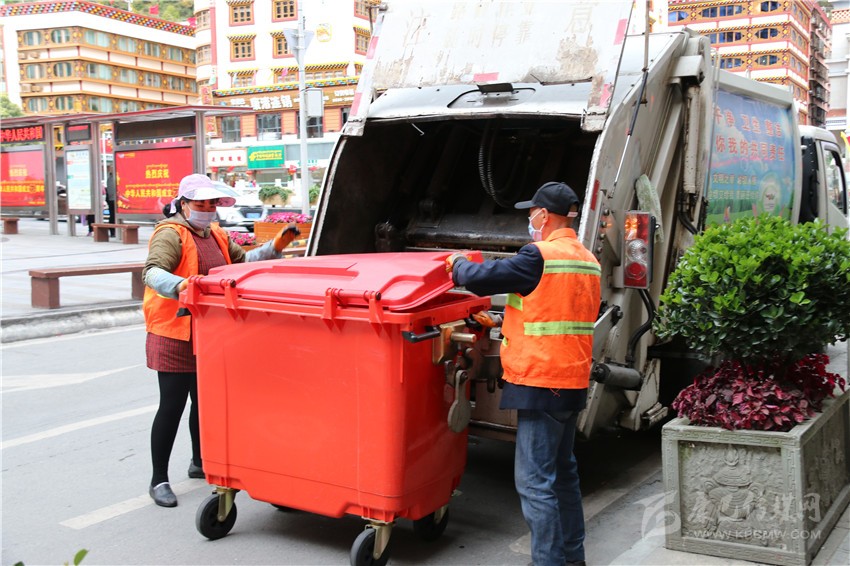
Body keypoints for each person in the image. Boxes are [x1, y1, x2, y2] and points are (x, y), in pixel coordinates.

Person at [446, 181, 601, 566]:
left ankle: (548, 561)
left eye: (531, 213)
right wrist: (504, 320)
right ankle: (572, 558)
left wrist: (457, 264)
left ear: (544, 215)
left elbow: (482, 277)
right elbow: (554, 310)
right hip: (572, 381)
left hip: (541, 381)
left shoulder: (539, 256)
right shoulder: (587, 259)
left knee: (535, 483)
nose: (529, 219)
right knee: (563, 475)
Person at [143, 173, 300, 508]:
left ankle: (199, 461)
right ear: (183, 204)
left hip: (210, 331)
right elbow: (152, 272)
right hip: (174, 331)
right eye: (200, 203)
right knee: (172, 406)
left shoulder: (216, 234)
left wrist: (275, 247)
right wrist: (182, 285)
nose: (206, 209)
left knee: (204, 401)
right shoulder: (170, 233)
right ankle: (159, 480)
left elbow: (242, 264)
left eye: (211, 203)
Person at [105, 169, 116, 237]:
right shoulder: (113, 179)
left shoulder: (110, 178)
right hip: (113, 200)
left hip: (111, 200)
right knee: (113, 216)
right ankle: (113, 231)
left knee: (112, 215)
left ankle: (113, 231)